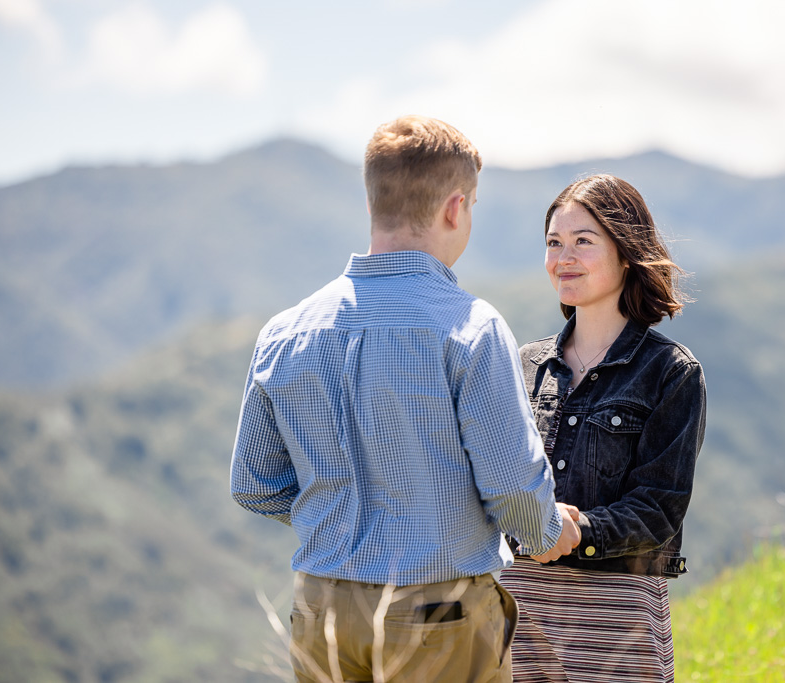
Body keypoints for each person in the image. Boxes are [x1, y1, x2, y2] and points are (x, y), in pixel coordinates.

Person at [229, 115, 581, 683]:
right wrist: (547, 531)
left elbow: (254, 483)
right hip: (436, 612)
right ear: (454, 208)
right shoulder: (469, 327)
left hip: (320, 606)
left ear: (374, 204)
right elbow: (513, 488)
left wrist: (338, 517)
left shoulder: (285, 331)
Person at [499, 174, 707, 682]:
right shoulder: (524, 365)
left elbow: (659, 507)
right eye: (554, 243)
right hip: (518, 616)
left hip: (617, 623)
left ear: (627, 252)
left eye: (583, 242)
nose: (563, 257)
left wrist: (577, 532)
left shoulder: (670, 373)